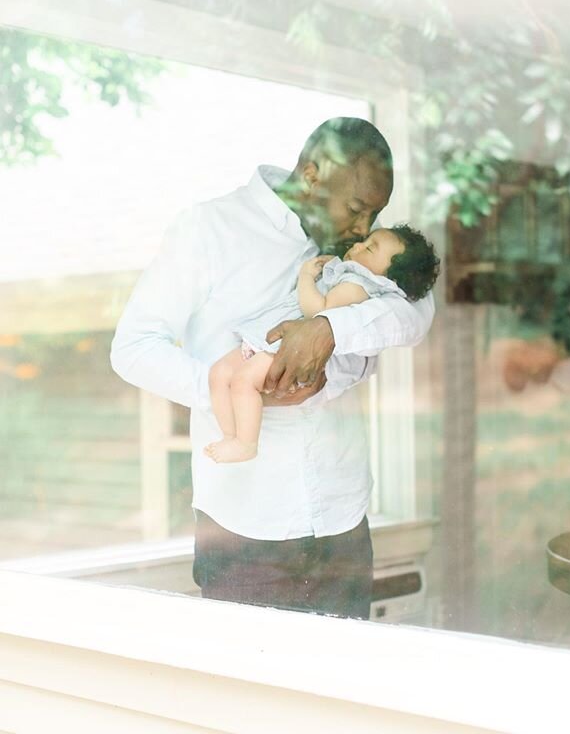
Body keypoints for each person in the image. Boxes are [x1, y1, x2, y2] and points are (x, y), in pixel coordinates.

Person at [110, 117, 435, 619]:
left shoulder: (362, 253)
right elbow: (133, 346)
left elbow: (416, 311)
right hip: (244, 526)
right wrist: (234, 390)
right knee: (249, 694)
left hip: (342, 518)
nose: (363, 229)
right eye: (356, 209)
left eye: (374, 215)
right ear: (312, 175)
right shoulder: (210, 228)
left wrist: (329, 332)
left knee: (342, 689)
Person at [205, 225, 440, 463]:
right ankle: (230, 435)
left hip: (285, 346)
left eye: (369, 248)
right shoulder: (345, 274)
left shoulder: (358, 285)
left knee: (243, 381)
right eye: (365, 241)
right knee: (219, 373)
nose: (357, 245)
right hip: (270, 338)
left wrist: (306, 276)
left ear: (387, 277)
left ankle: (245, 443)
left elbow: (318, 310)